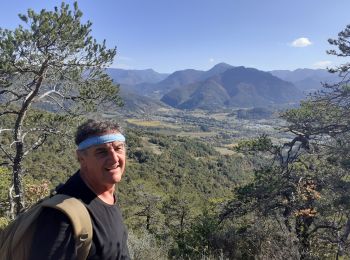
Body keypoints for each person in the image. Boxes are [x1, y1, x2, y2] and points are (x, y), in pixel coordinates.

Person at [29, 119, 130, 259]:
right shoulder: (61, 217)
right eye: (101, 152)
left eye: (118, 148)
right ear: (81, 158)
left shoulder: (106, 194)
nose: (114, 159)